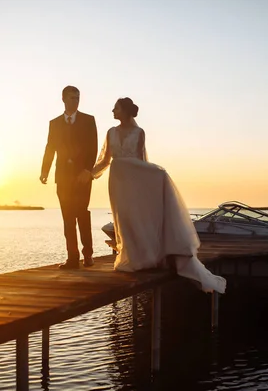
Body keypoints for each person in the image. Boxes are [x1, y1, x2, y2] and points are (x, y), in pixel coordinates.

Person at [78, 97, 226, 293]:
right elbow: (105, 159)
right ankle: (131, 257)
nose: (113, 111)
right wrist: (91, 174)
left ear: (125, 111)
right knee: (123, 218)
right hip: (118, 181)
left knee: (137, 217)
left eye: (116, 108)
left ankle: (143, 258)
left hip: (135, 180)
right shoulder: (110, 132)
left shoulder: (139, 132)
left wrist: (153, 178)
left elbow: (141, 159)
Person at [40, 86, 98, 269]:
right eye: (72, 98)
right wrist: (44, 171)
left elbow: (93, 148)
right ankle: (72, 258)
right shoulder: (54, 123)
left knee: (82, 213)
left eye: (78, 97)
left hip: (83, 177)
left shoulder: (89, 120)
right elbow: (50, 148)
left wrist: (88, 171)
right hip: (63, 177)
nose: (76, 100)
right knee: (67, 217)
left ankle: (87, 255)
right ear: (63, 99)